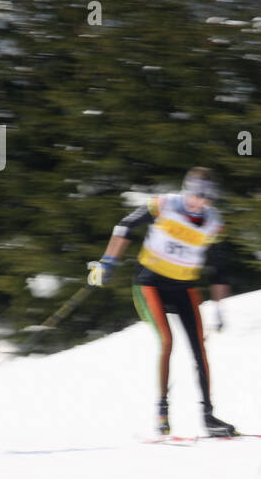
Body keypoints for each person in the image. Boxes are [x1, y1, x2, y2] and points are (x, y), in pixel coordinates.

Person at [91, 167, 237, 438]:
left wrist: (218, 308)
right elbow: (124, 226)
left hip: (185, 287)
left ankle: (208, 416)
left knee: (199, 350)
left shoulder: (214, 222)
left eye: (206, 197)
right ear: (186, 189)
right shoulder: (165, 204)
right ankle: (162, 411)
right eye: (194, 194)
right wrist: (107, 263)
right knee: (168, 342)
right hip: (150, 284)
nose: (198, 201)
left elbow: (219, 269)